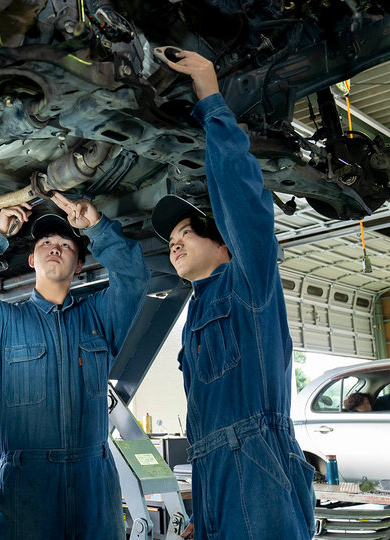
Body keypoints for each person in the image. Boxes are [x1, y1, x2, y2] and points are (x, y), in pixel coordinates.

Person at [150, 51, 315, 540]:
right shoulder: (197, 306)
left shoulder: (248, 284)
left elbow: (243, 200)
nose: (174, 241)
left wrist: (209, 92)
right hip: (214, 475)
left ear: (224, 242)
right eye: (171, 238)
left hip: (257, 468)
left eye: (186, 231)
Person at [0, 192, 150, 539]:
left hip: (94, 492)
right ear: (33, 260)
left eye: (66, 244)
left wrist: (98, 227)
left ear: (79, 265)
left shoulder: (99, 316)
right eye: (47, 242)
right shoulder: (2, 324)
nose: (55, 247)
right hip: (28, 493)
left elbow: (135, 279)